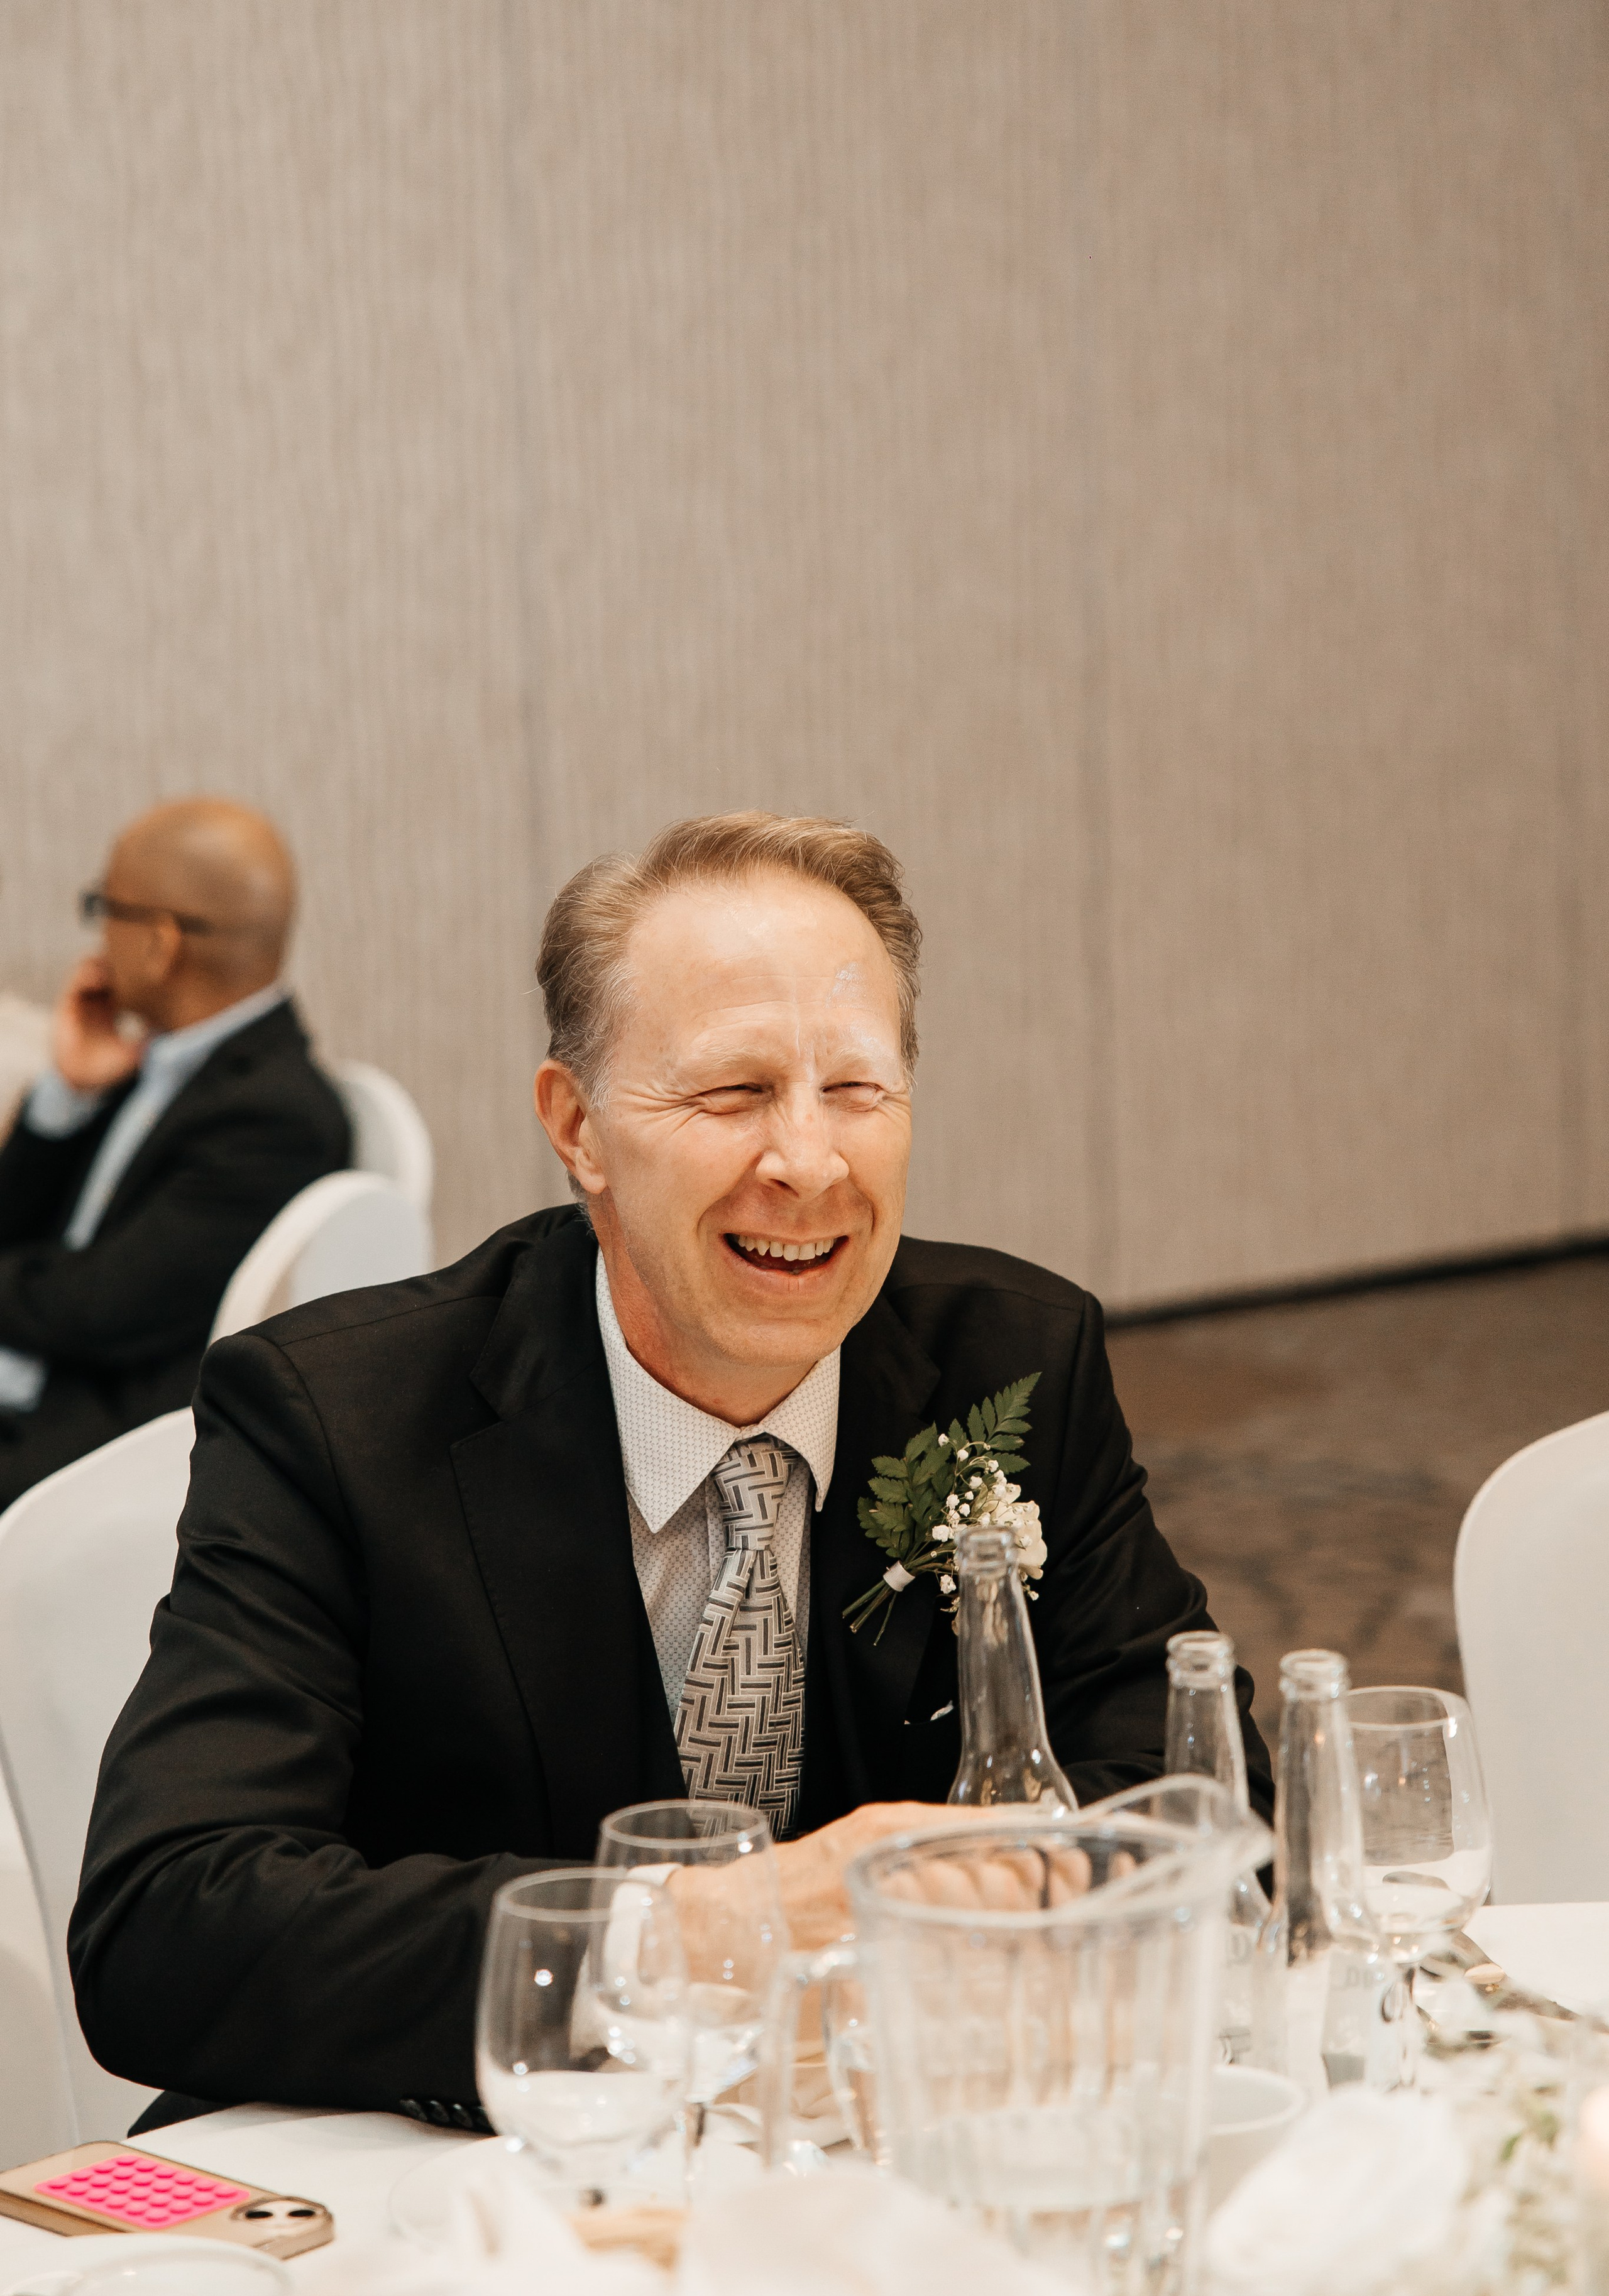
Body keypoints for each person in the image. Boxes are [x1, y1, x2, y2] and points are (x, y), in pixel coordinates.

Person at [70, 811, 1271, 2124]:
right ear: (577, 1126)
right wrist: (678, 1934)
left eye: (855, 1090)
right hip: (477, 2170)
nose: (808, 1163)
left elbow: (1206, 1795)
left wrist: (975, 1915)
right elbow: (166, 1925)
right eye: (733, 1093)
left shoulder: (1012, 1367)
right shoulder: (338, 1420)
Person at [0, 800, 351, 1509]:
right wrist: (67, 1098)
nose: (99, 937)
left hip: (86, 1446)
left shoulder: (273, 1116)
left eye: (105, 908)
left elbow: (102, 1308)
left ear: (160, 943)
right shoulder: (155, 1062)